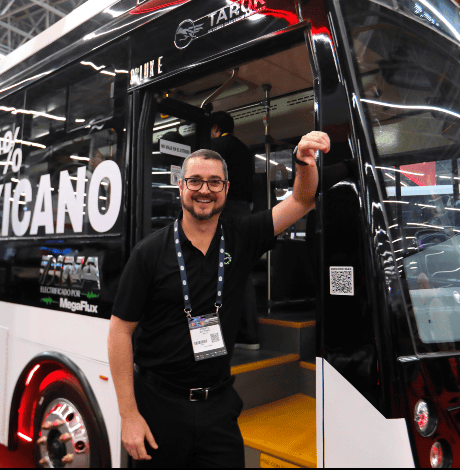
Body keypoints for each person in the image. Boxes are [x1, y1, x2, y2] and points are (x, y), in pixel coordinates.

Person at [108, 131, 329, 467]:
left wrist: (302, 161)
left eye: (214, 182)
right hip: (159, 405)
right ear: (181, 186)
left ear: (226, 189)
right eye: (195, 181)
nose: (204, 190)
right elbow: (120, 332)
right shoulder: (149, 253)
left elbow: (302, 200)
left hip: (219, 405)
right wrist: (129, 415)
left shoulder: (242, 236)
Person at [208, 112, 259, 349]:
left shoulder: (215, 146)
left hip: (224, 211)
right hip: (244, 213)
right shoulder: (245, 150)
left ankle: (213, 339)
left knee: (210, 267)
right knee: (240, 268)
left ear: (215, 128)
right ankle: (249, 334)